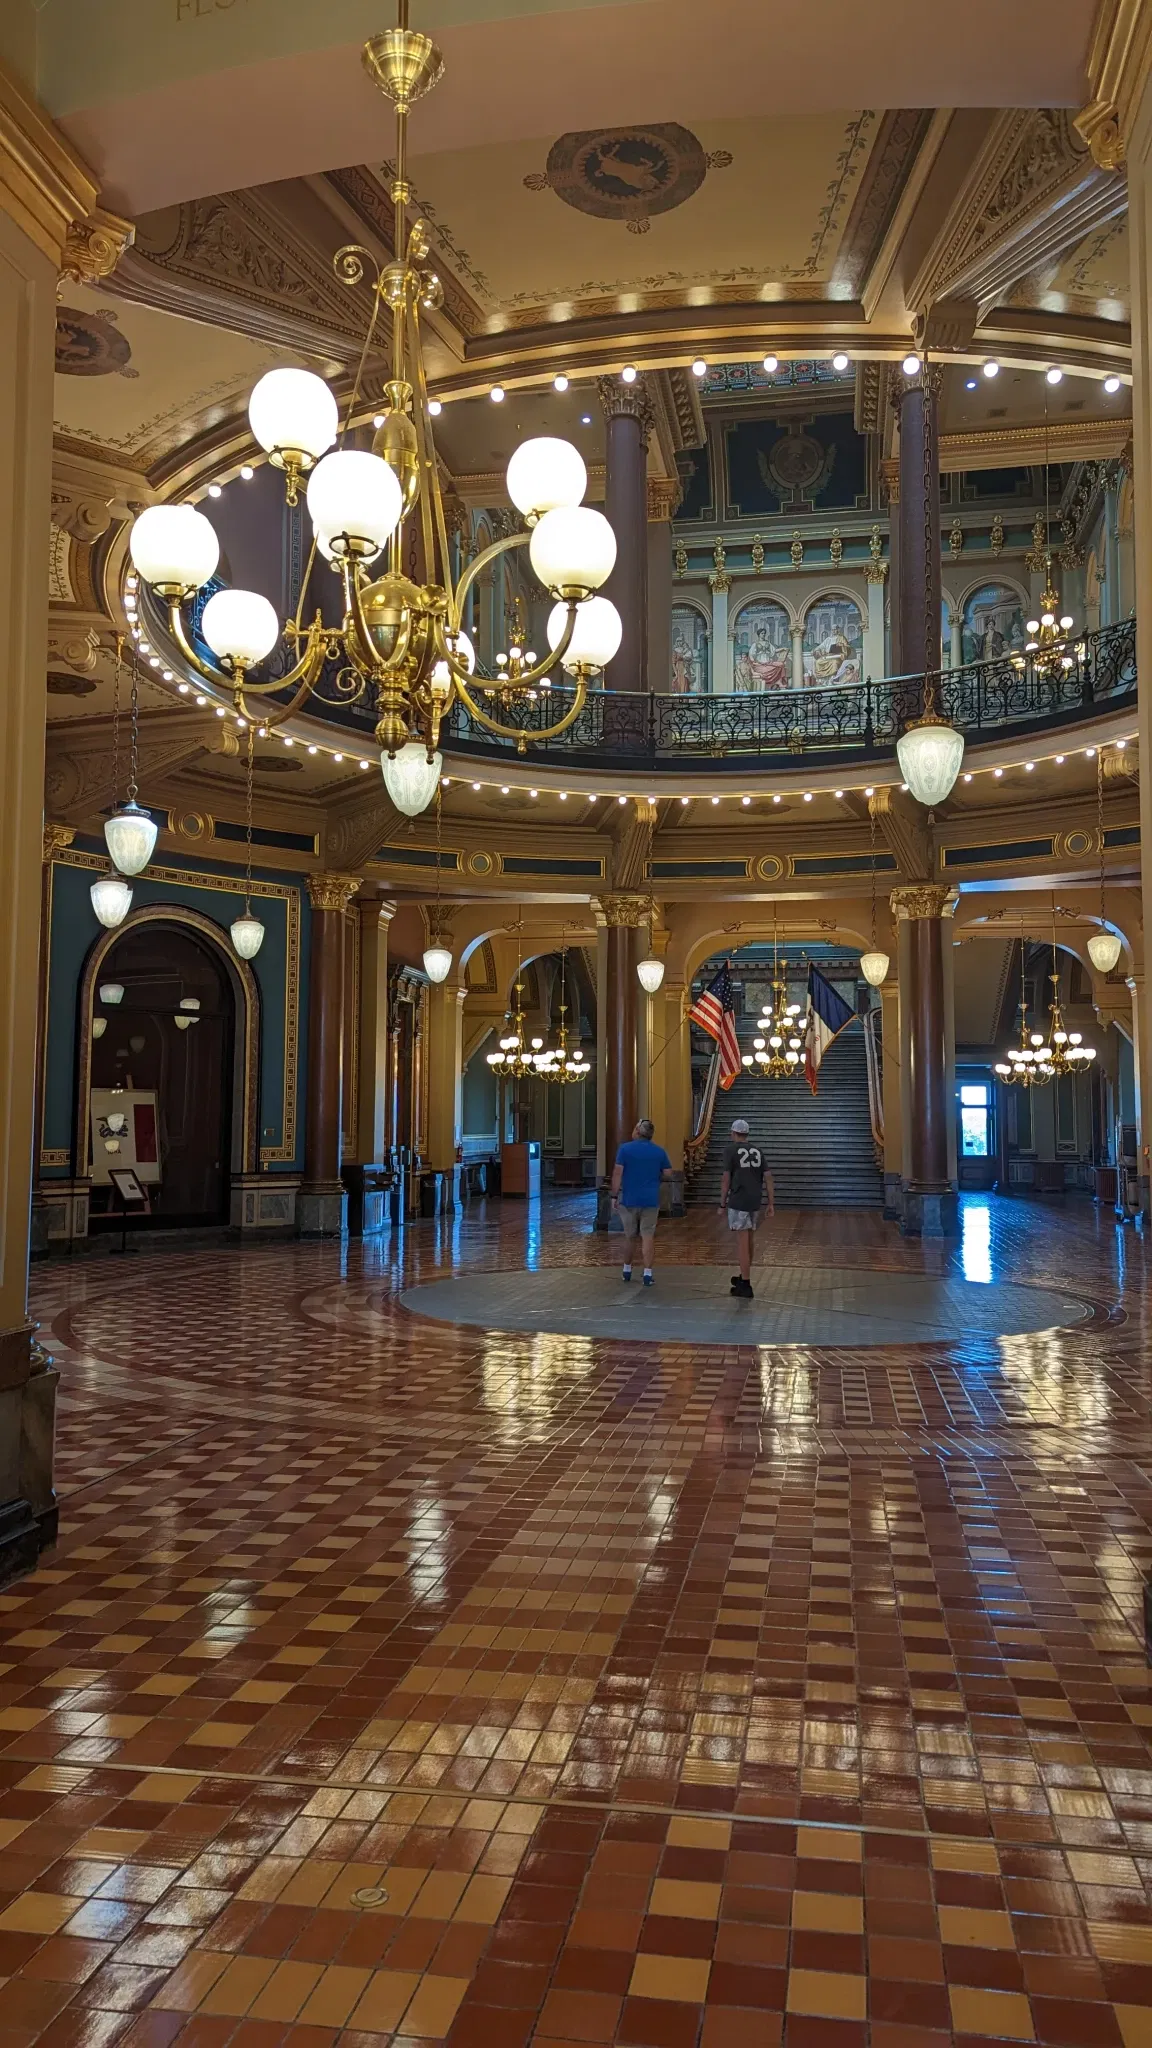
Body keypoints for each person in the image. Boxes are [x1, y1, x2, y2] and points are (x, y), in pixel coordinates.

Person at [611, 1119, 673, 1286]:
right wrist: (656, 1177)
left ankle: (627, 1270)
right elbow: (668, 1172)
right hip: (650, 1199)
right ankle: (647, 1273)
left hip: (630, 1199)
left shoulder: (625, 1149)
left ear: (637, 1131)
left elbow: (617, 1173)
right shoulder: (659, 1151)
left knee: (630, 1236)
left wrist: (614, 1196)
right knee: (647, 1235)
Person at [719, 1117, 774, 1298]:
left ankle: (746, 1284)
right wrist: (771, 1202)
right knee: (749, 1238)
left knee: (742, 1242)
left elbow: (726, 1178)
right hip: (754, 1201)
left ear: (734, 1134)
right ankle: (743, 1276)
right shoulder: (758, 1151)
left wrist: (722, 1202)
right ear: (747, 1133)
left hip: (739, 1200)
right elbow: (768, 1177)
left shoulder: (730, 1151)